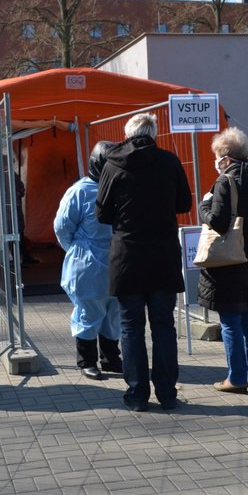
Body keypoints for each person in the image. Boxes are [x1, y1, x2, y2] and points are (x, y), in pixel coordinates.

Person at [96, 113, 192, 411]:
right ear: (154, 133)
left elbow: (102, 214)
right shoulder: (170, 161)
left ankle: (137, 395)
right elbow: (184, 204)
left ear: (128, 133)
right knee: (164, 326)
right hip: (163, 255)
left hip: (127, 257)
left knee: (131, 326)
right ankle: (167, 394)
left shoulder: (112, 164)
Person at [197, 126, 248, 394]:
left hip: (230, 261)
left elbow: (217, 222)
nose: (215, 162)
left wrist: (204, 206)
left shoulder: (225, 182)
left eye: (217, 156)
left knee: (230, 320)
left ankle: (236, 378)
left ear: (226, 158)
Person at [53, 141, 123, 381]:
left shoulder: (119, 187)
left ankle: (111, 358)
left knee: (113, 312)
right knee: (89, 311)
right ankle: (87, 361)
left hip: (115, 260)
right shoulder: (80, 191)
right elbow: (62, 227)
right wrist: (77, 250)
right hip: (89, 262)